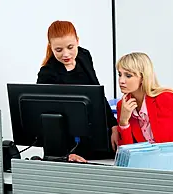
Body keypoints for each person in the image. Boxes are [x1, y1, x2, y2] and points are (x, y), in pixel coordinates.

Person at [37, 20, 118, 162]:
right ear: (51, 47)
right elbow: (48, 121)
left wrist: (113, 126)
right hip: (67, 145)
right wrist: (64, 154)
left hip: (94, 134)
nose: (66, 54)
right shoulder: (47, 73)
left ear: (77, 41)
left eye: (70, 47)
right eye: (58, 50)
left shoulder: (84, 57)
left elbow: (97, 94)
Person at [116, 52, 173, 159]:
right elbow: (127, 153)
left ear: (143, 77)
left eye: (128, 75)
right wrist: (123, 123)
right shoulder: (123, 106)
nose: (121, 81)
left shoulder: (165, 98)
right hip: (156, 162)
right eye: (119, 74)